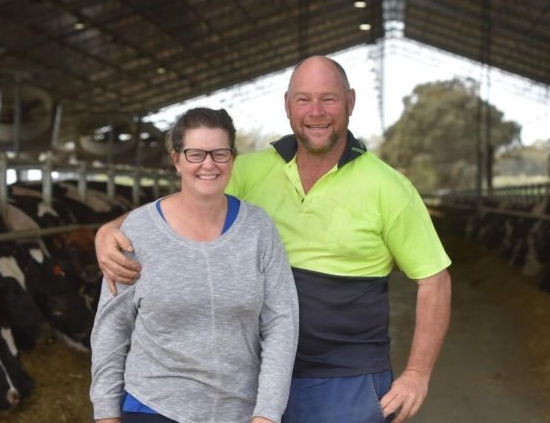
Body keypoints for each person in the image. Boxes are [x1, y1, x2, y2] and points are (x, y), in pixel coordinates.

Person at [95, 56, 452, 423]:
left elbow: (434, 280)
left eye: (328, 99)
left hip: (344, 379)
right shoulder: (249, 170)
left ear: (350, 101)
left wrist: (417, 375)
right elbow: (183, 205)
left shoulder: (388, 187)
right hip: (249, 378)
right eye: (303, 99)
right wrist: (111, 230)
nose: (316, 112)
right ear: (286, 105)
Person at [89, 107, 299, 423]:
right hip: (152, 408)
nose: (208, 164)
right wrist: (105, 414)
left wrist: (267, 413)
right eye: (195, 154)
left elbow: (282, 322)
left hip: (239, 411)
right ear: (176, 159)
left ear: (233, 158)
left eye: (220, 153)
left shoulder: (258, 229)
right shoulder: (138, 232)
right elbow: (111, 328)